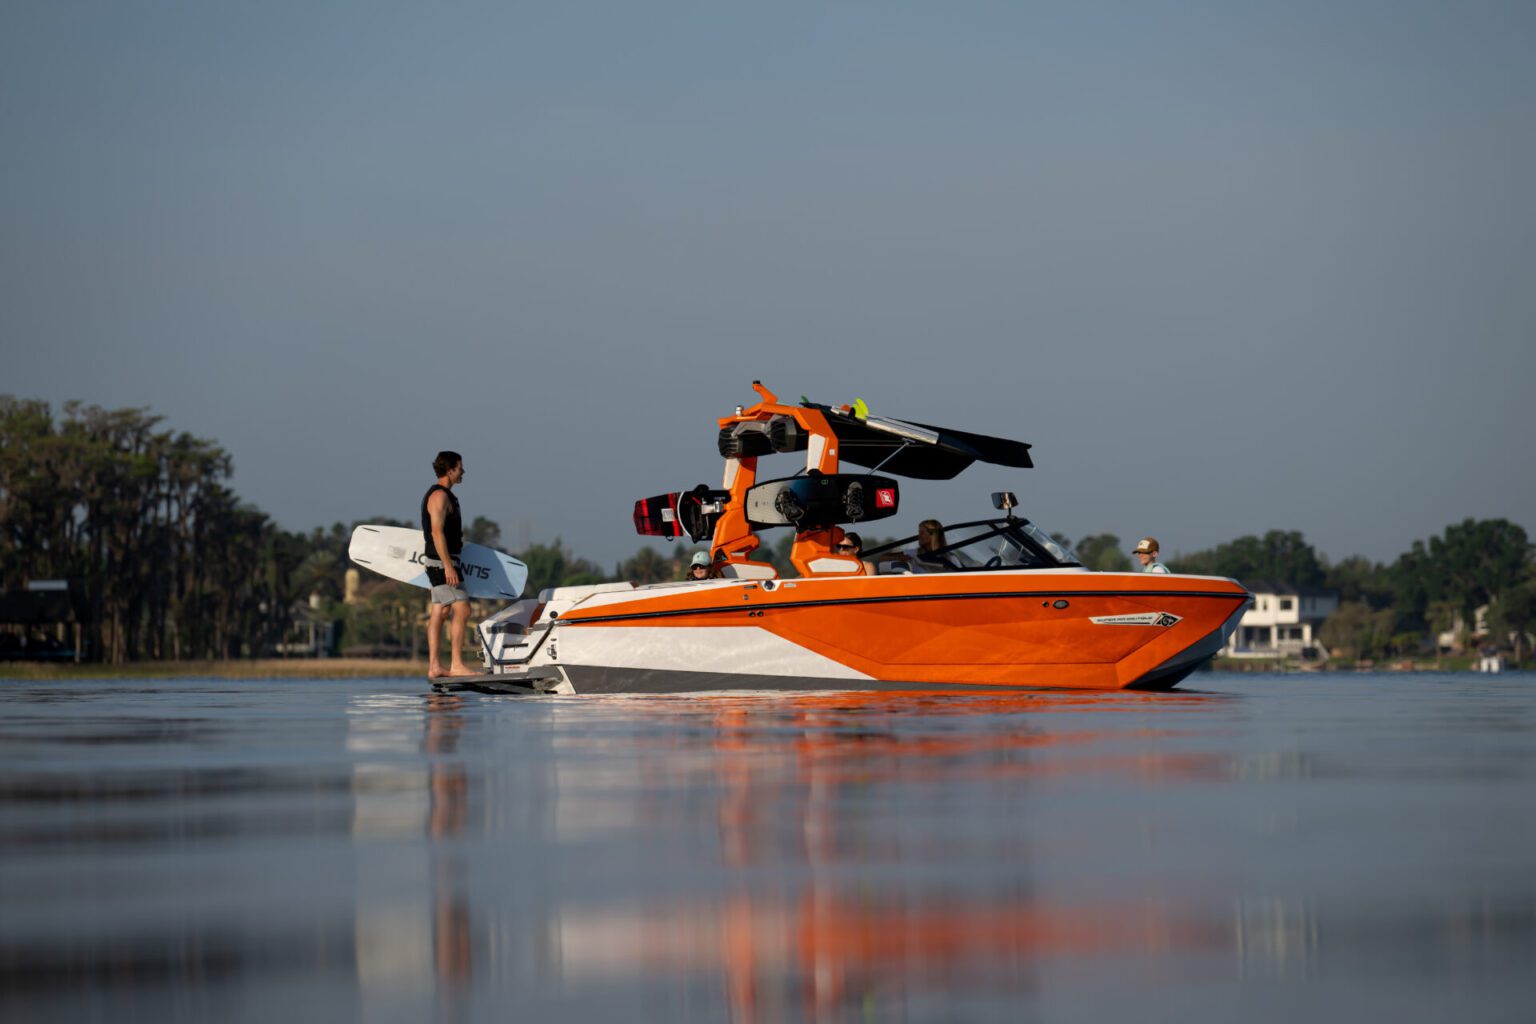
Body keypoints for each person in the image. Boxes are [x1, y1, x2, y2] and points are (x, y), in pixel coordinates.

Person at [423, 450, 477, 678]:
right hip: (441, 563)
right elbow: (436, 532)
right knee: (463, 609)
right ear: (450, 469)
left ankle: (435, 666)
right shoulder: (439, 497)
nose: (463, 470)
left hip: (442, 562)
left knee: (441, 611)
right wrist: (448, 565)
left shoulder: (445, 495)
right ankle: (456, 664)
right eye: (460, 466)